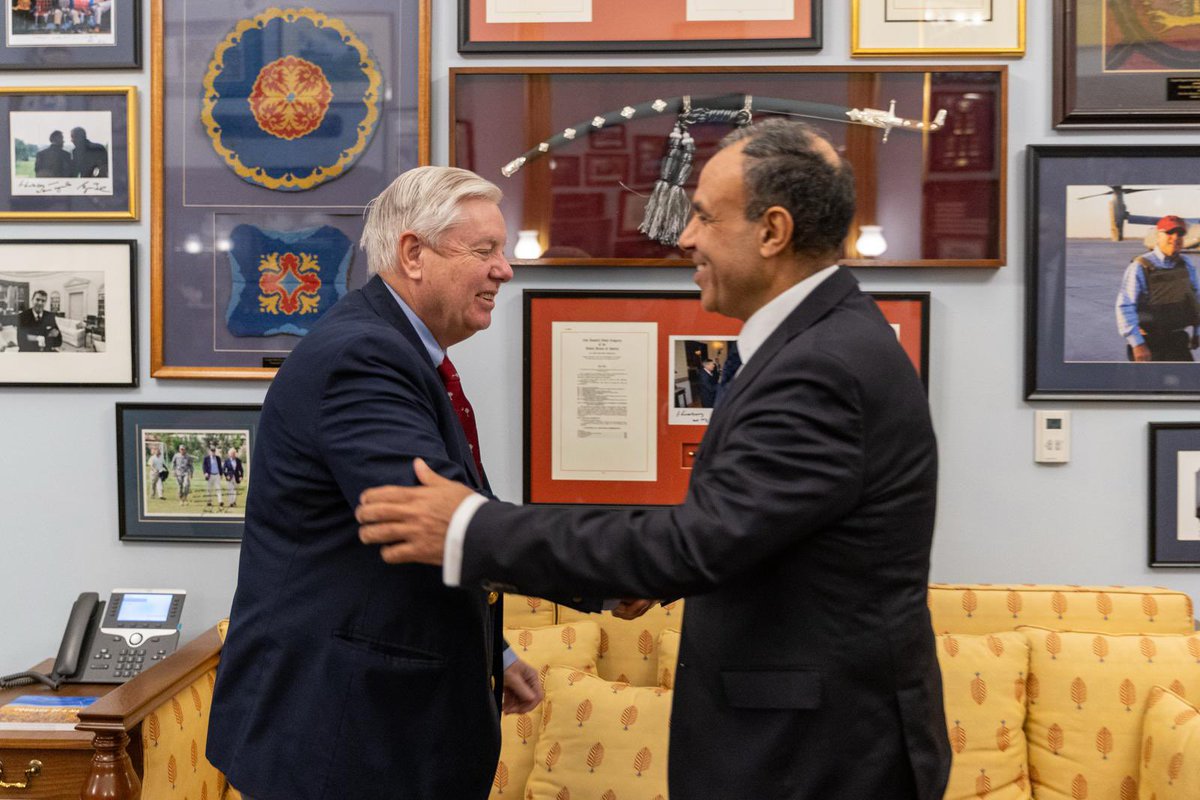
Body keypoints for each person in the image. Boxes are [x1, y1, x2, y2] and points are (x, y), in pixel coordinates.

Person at [356, 119, 951, 800]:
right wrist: (646, 566)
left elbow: (699, 543)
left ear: (772, 231)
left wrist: (467, 527)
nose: (686, 236)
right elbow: (737, 528)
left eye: (703, 215)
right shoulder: (822, 343)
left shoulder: (820, 366)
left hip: (815, 756)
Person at [208, 166, 586, 800]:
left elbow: (454, 517)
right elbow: (434, 520)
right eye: (485, 250)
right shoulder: (362, 357)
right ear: (414, 253)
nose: (505, 270)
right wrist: (610, 573)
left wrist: (494, 653)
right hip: (340, 737)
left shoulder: (397, 351)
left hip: (375, 725)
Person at [1116, 214, 1200, 362]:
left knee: (1188, 383)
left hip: (1178, 339)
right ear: (1158, 235)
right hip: (1149, 342)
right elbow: (1125, 306)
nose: (1175, 237)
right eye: (1169, 232)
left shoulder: (1185, 263)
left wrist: (1198, 331)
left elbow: (1196, 298)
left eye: (1180, 233)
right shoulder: (1140, 266)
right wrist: (1137, 344)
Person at [201, 445, 223, 509]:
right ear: (209, 451)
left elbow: (220, 467)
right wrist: (205, 473)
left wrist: (221, 474)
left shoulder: (218, 458)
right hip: (210, 475)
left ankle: (220, 501)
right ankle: (209, 501)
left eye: (214, 451)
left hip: (217, 475)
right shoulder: (206, 458)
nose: (213, 452)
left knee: (218, 488)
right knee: (209, 489)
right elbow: (204, 466)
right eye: (211, 451)